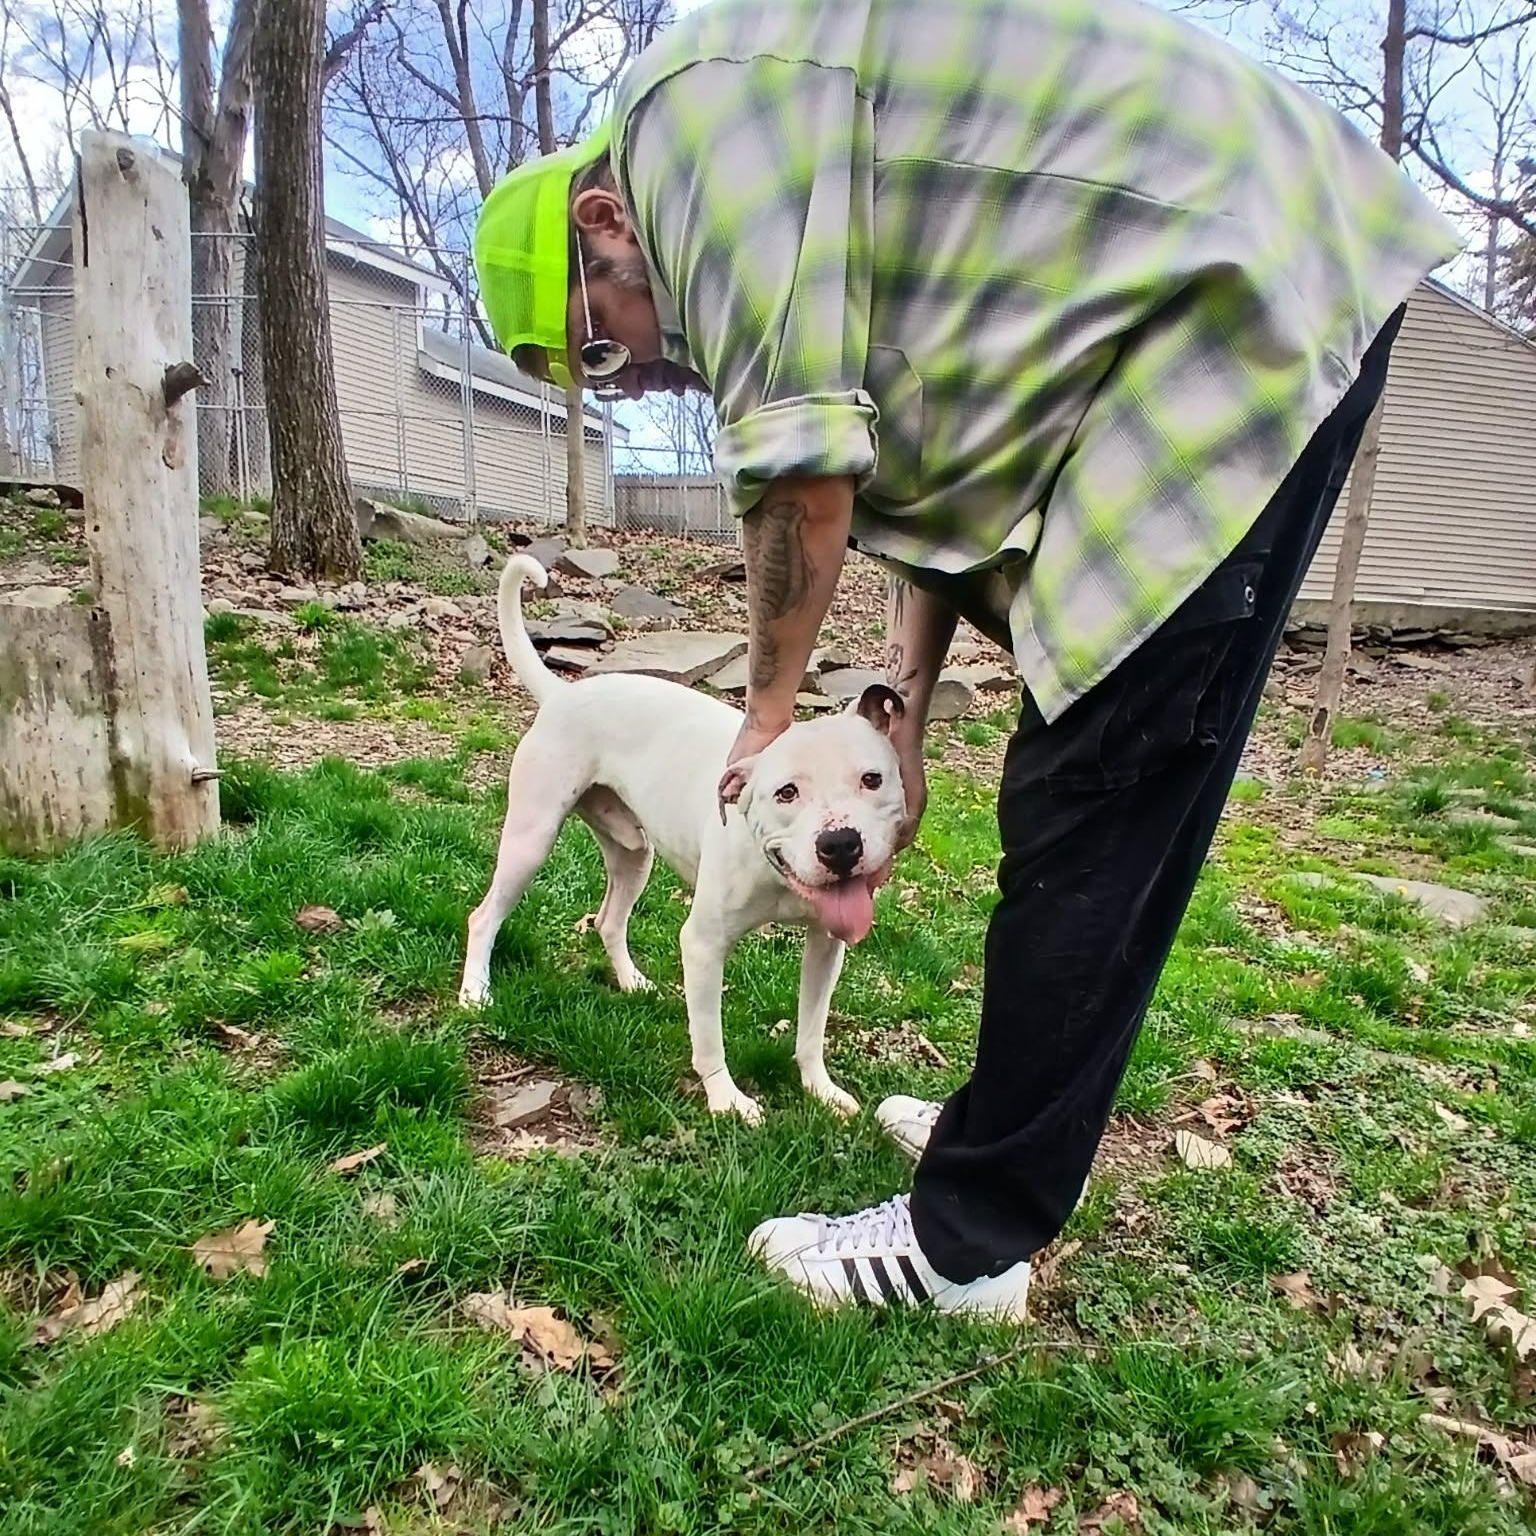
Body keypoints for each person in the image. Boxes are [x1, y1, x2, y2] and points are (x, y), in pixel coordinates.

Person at [473, 0, 1460, 1319]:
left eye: (603, 343)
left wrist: (768, 712)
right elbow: (922, 487)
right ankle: (1010, 1130)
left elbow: (804, 468)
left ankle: (967, 1246)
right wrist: (909, 715)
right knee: (1074, 762)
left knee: (1101, 772)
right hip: (1226, 273)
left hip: (1251, 283)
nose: (638, 378)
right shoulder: (777, 169)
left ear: (604, 221)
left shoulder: (687, 122)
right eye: (599, 378)